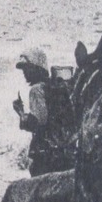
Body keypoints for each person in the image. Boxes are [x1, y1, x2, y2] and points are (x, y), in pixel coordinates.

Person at [13, 47, 68, 175]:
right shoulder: (55, 87)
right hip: (62, 148)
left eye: (27, 68)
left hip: (46, 153)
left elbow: (38, 122)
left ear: (37, 68)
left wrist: (21, 113)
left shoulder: (36, 90)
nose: (24, 72)